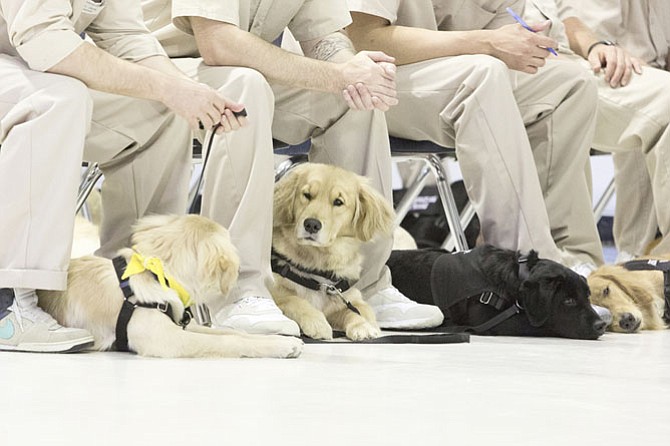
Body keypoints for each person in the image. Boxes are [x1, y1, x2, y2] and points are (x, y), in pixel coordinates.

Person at [139, 0, 445, 335]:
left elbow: (325, 39)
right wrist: (336, 75)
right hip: (162, 70)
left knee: (355, 95)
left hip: (240, 70)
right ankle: (237, 291)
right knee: (247, 86)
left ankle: (360, 287)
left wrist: (355, 71)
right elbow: (219, 43)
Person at [0, 0, 244, 353]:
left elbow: (126, 34)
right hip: (33, 62)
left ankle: (128, 294)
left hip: (25, 67)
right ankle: (10, 303)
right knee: (58, 100)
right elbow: (46, 43)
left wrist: (185, 92)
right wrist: (169, 88)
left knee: (163, 110)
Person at [345, 0, 605, 273]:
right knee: (482, 75)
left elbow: (500, 50)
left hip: (450, 72)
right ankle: (520, 267)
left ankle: (573, 262)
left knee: (570, 82)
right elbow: (363, 38)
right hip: (366, 77)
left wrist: (522, 47)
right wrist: (486, 42)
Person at [523, 0, 670, 260]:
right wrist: (596, 46)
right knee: (661, 101)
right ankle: (648, 267)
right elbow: (560, 21)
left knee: (657, 98)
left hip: (637, 63)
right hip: (580, 63)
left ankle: (640, 266)